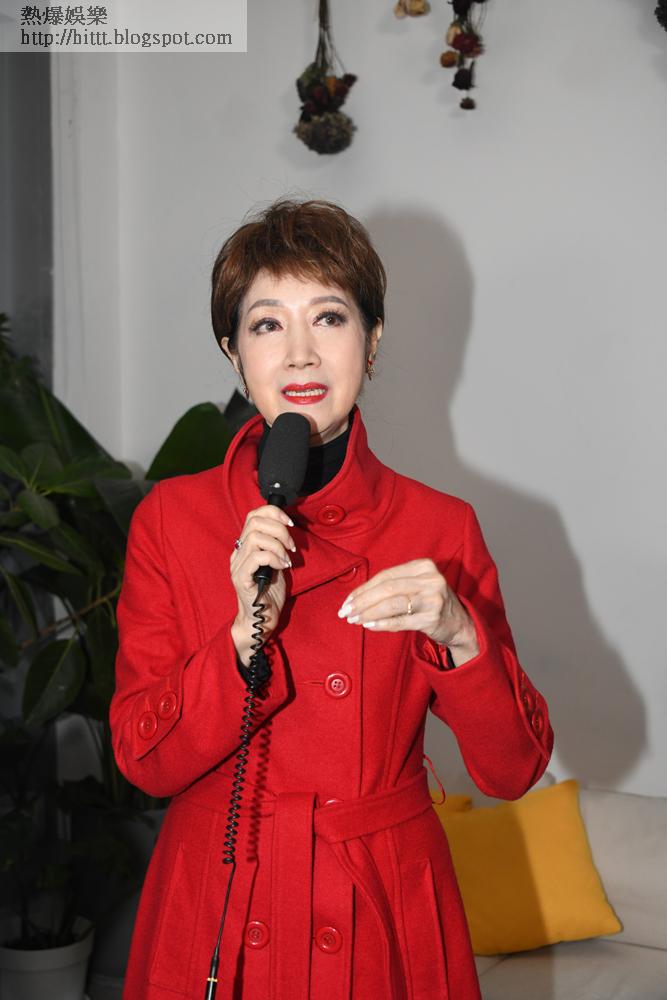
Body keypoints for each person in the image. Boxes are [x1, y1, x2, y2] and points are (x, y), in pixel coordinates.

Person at [110, 197, 554, 1000]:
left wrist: (460, 634)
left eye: (329, 317)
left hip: (380, 901)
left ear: (372, 340)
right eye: (266, 324)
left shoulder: (438, 527)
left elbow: (512, 769)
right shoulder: (171, 520)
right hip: (220, 901)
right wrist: (241, 638)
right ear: (233, 351)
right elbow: (145, 762)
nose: (299, 353)